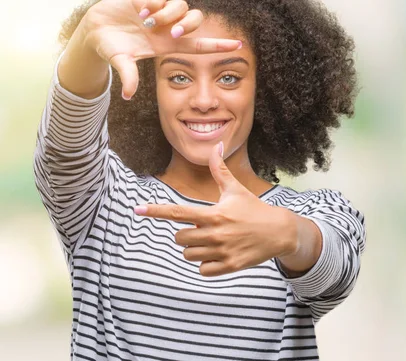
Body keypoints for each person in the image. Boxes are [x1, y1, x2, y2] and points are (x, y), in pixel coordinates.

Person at [34, 0, 366, 359]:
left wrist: (288, 236)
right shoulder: (104, 199)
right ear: (151, 89)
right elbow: (64, 152)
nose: (204, 100)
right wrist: (87, 40)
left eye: (229, 77)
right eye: (179, 76)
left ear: (266, 86)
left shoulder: (316, 212)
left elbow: (335, 268)